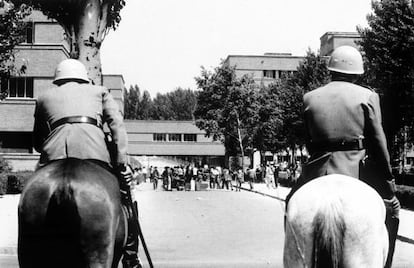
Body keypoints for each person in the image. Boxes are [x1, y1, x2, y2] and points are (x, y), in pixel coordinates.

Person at [285, 46, 400, 268]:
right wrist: (388, 183)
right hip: (358, 169)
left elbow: (309, 140)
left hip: (318, 170)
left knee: (292, 204)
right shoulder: (368, 96)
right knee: (392, 211)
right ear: (358, 73)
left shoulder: (309, 98)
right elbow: (378, 141)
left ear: (330, 70)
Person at [32, 59, 140, 268]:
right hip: (94, 153)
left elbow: (37, 142)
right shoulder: (100, 91)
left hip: (53, 156)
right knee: (127, 197)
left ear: (58, 78)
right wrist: (120, 162)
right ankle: (130, 256)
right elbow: (117, 125)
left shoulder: (44, 96)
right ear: (84, 77)